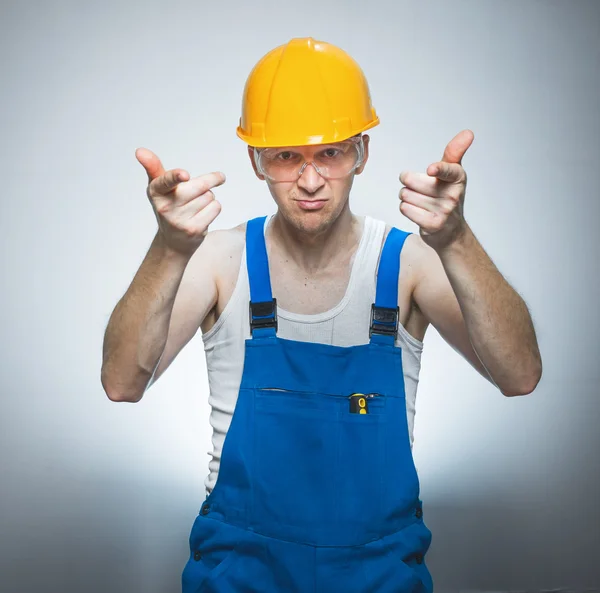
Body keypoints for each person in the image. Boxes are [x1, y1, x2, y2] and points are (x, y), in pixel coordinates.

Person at [101, 37, 542, 593]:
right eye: (286, 155)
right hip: (239, 572)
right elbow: (121, 383)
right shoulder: (219, 261)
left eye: (330, 153)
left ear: (362, 151)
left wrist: (455, 241)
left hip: (379, 575)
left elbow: (520, 374)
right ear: (255, 161)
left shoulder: (408, 263)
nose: (310, 181)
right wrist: (167, 247)